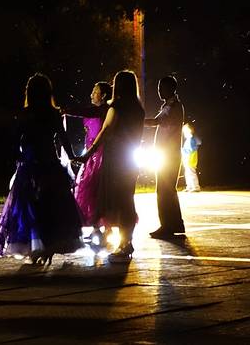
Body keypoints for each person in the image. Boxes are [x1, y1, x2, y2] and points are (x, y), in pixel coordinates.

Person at [0, 73, 83, 265]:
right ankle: (47, 247)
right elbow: (63, 137)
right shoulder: (53, 113)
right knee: (52, 207)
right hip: (50, 164)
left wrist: (15, 156)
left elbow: (15, 140)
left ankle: (36, 248)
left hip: (30, 165)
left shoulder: (25, 114)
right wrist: (72, 156)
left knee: (30, 209)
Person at [74, 70, 144, 262]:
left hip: (115, 160)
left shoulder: (117, 108)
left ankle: (120, 242)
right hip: (130, 161)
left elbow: (105, 132)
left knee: (113, 202)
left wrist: (88, 154)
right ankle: (126, 241)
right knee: (127, 201)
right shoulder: (138, 110)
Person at [63, 81, 112, 243]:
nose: (91, 94)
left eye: (95, 92)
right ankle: (98, 228)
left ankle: (107, 228)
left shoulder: (103, 110)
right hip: (92, 155)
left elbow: (86, 112)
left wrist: (67, 110)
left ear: (103, 96)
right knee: (92, 192)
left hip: (101, 156)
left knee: (98, 191)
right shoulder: (96, 111)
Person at [145, 76, 186, 238]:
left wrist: (135, 120)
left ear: (171, 88)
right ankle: (174, 224)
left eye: (162, 87)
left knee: (163, 191)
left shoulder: (173, 107)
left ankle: (167, 226)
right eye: (158, 88)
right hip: (167, 154)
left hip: (168, 155)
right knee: (167, 190)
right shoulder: (169, 105)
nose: (159, 91)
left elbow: (155, 122)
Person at [182, 123, 201, 192]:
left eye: (185, 130)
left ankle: (196, 187)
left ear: (189, 130)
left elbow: (193, 148)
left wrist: (184, 150)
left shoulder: (192, 139)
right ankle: (189, 187)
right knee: (187, 173)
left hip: (190, 158)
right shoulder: (188, 139)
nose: (184, 133)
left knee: (191, 172)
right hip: (186, 158)